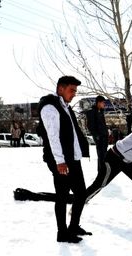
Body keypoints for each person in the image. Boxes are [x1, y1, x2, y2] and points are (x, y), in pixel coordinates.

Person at [37, 75, 90, 243]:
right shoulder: (50, 108)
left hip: (72, 158)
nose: (74, 94)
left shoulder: (64, 106)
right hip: (60, 160)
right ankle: (62, 232)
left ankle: (73, 226)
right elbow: (53, 136)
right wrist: (60, 161)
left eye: (75, 91)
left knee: (81, 193)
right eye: (71, 90)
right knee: (62, 196)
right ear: (61, 88)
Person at [86, 95, 109, 171]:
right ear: (98, 103)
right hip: (99, 137)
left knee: (105, 155)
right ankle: (101, 172)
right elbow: (90, 125)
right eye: (103, 103)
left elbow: (103, 124)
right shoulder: (91, 112)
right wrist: (96, 136)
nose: (104, 104)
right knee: (101, 155)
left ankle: (103, 171)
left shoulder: (101, 112)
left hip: (104, 136)